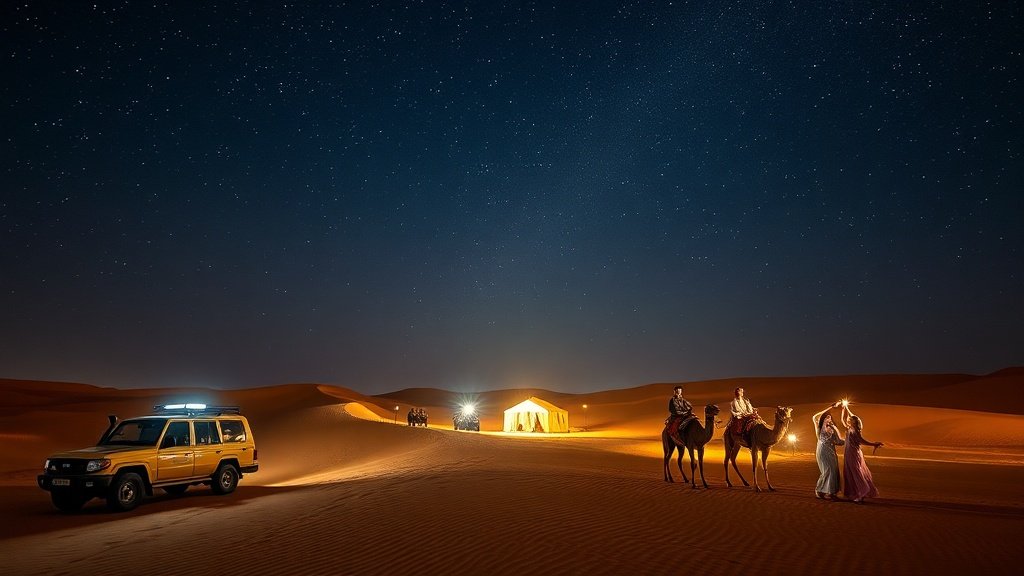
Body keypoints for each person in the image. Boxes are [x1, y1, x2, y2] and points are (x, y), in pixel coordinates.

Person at [840, 403, 883, 503]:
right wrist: (844, 408)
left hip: (853, 453)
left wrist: (873, 444)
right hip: (848, 452)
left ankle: (862, 492)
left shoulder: (855, 430)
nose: (849, 420)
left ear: (855, 422)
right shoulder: (849, 428)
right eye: (850, 420)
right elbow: (843, 419)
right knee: (850, 472)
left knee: (856, 472)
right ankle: (856, 493)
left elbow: (861, 441)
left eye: (852, 420)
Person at [812, 401, 845, 500]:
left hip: (831, 451)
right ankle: (819, 491)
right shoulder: (819, 427)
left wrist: (848, 441)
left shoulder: (833, 429)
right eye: (827, 417)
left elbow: (838, 441)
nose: (829, 418)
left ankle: (831, 493)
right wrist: (830, 407)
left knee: (834, 471)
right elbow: (814, 416)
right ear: (823, 419)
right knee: (827, 471)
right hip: (822, 451)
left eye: (830, 417)